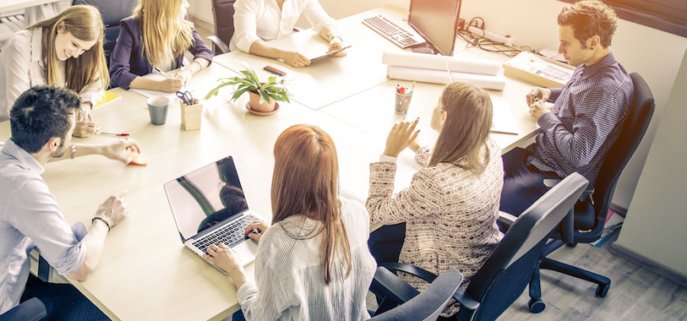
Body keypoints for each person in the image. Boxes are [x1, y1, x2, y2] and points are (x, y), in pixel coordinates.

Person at [0, 86, 142, 321]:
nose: (72, 134)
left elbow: (44, 151)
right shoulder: (24, 189)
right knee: (110, 306)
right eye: (71, 131)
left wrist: (101, 149)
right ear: (54, 143)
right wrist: (104, 218)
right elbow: (81, 268)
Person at [203, 125, 377, 320]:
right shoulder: (356, 212)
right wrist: (281, 237)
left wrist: (235, 270)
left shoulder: (276, 243)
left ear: (284, 176)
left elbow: (259, 317)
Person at [366, 82, 505, 317]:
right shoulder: (488, 148)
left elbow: (375, 210)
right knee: (389, 229)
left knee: (370, 235)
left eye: (437, 104)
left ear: (444, 117)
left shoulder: (435, 182)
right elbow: (454, 167)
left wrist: (389, 154)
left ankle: (398, 308)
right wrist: (418, 148)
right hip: (475, 263)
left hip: (440, 284)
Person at [500, 0, 633, 215]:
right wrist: (549, 92)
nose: (561, 50)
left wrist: (545, 117)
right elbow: (579, 95)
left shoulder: (606, 91)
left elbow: (579, 153)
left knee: (483, 207)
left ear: (593, 42)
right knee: (471, 171)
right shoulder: (592, 65)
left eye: (566, 43)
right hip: (540, 159)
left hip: (556, 178)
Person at [0, 5, 110, 138]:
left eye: (83, 50)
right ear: (60, 27)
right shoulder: (19, 46)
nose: (77, 54)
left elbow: (97, 81)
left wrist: (85, 103)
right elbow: (21, 111)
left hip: (46, 124)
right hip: (3, 127)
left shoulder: (73, 51)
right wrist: (68, 128)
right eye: (75, 44)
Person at [109, 0, 213, 92]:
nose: (188, 5)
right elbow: (117, 74)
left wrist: (187, 72)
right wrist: (159, 86)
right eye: (182, 1)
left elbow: (205, 53)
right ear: (167, 8)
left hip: (172, 92)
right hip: (143, 93)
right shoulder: (131, 27)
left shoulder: (180, 20)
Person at [230, 0, 346, 68]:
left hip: (286, 56)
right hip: (248, 58)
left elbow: (323, 22)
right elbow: (245, 38)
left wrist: (335, 38)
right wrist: (282, 54)